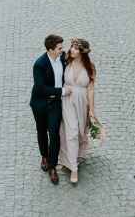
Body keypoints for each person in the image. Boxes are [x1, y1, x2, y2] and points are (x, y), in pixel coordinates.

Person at [30, 34, 73, 184]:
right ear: (50, 50)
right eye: (60, 48)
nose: (62, 51)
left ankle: (53, 166)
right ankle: (44, 157)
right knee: (41, 132)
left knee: (54, 135)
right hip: (41, 104)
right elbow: (40, 87)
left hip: (55, 104)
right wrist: (61, 91)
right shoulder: (40, 64)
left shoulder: (62, 58)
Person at [58, 38, 100, 184]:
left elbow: (90, 89)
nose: (72, 50)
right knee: (71, 131)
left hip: (82, 102)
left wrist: (92, 109)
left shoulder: (90, 66)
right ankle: (73, 168)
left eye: (75, 48)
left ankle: (75, 155)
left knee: (81, 132)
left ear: (82, 51)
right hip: (68, 101)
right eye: (72, 47)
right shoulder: (66, 62)